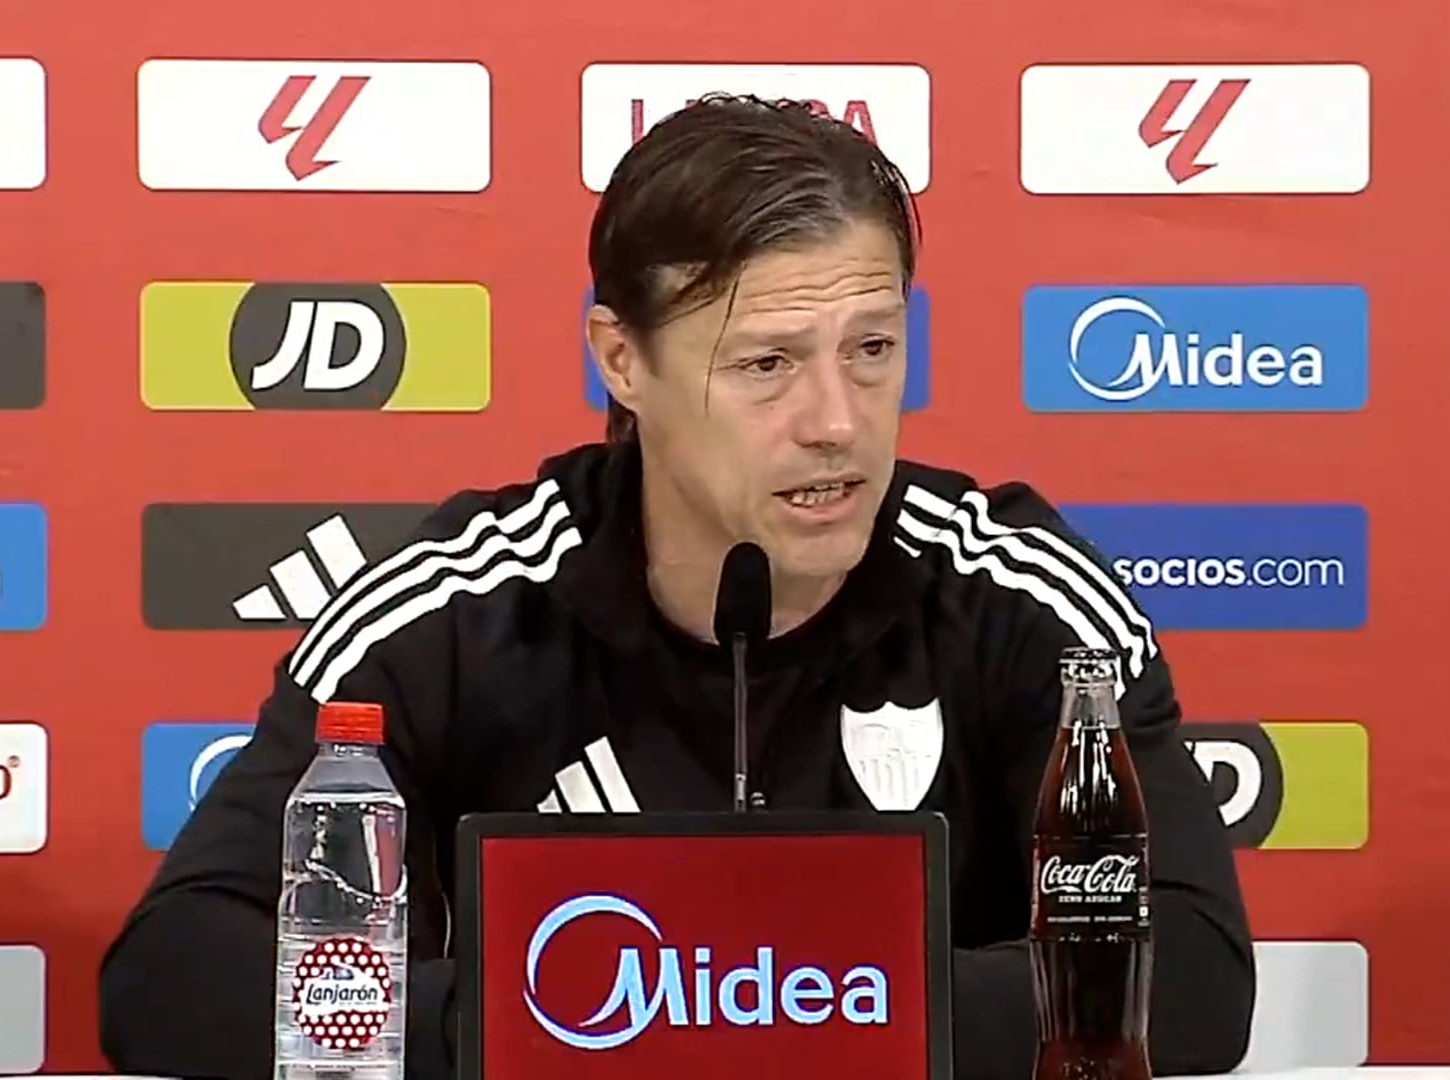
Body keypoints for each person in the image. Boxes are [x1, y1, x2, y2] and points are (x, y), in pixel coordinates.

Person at [98, 94, 1254, 1079]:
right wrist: (552, 1014)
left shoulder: (1022, 595)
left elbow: (1193, 973)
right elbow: (177, 974)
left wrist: (712, 1002)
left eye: (872, 349)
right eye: (767, 363)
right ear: (622, 361)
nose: (837, 422)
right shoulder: (456, 607)